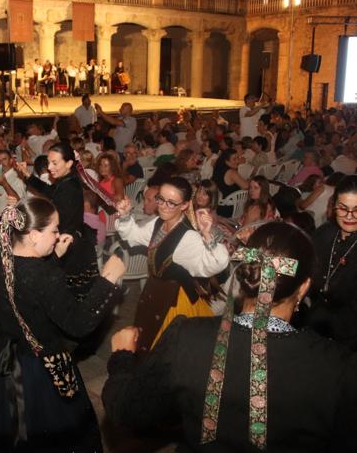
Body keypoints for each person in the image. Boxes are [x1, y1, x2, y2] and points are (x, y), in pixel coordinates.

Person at [103, 221, 357, 452]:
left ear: (246, 275)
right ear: (303, 288)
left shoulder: (187, 336)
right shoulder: (339, 368)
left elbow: (125, 410)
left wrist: (122, 357)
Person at [0, 198, 126, 452]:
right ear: (32, 235)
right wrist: (107, 280)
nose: (58, 235)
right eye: (53, 229)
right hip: (35, 364)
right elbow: (79, 323)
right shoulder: (46, 278)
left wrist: (54, 258)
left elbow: (26, 290)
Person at [115, 177, 230, 353]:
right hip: (154, 294)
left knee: (166, 352)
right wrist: (124, 216)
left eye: (171, 203)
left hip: (175, 303)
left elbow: (214, 264)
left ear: (184, 205)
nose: (162, 206)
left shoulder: (187, 237)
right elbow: (134, 235)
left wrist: (208, 235)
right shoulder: (158, 222)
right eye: (160, 199)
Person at [17, 143, 101, 302]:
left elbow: (60, 218)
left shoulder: (70, 186)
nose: (49, 167)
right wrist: (28, 176)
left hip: (69, 245)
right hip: (70, 239)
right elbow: (51, 192)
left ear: (69, 163)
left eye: (54, 163)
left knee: (66, 297)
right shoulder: (66, 180)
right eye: (49, 162)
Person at [306, 175, 357, 350]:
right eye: (343, 208)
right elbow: (302, 266)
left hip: (349, 337)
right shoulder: (324, 233)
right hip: (315, 324)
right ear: (333, 206)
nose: (350, 216)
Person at [212, 148, 249, 217]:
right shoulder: (231, 172)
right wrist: (249, 181)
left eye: (238, 157)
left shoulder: (218, 169)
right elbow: (246, 186)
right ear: (226, 161)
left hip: (218, 205)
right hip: (230, 208)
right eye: (234, 159)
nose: (238, 161)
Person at [0, 149, 27, 215]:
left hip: (3, 215)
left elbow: (18, 202)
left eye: (4, 159)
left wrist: (5, 184)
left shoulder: (16, 178)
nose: (1, 163)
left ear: (11, 161)